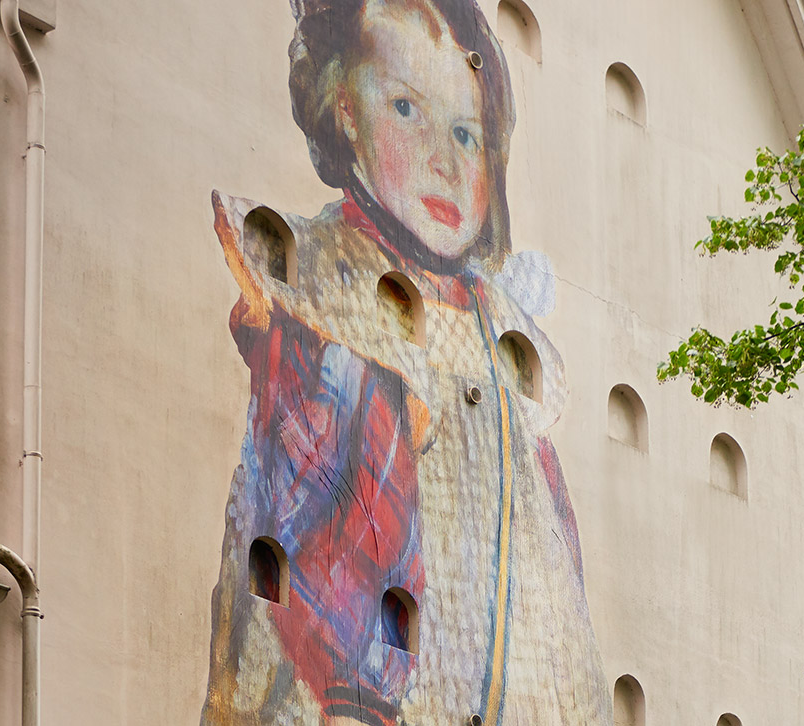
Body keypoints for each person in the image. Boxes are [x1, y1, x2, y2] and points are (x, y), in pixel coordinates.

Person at [201, 1, 611, 724]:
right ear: (343, 110)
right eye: (405, 109)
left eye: (466, 133)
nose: (445, 160)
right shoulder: (332, 289)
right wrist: (358, 694)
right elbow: (324, 514)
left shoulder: (502, 335)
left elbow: (551, 552)